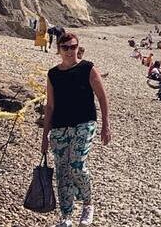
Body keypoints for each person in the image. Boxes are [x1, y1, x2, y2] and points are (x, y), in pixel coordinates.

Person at [41, 32, 111, 227]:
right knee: (62, 171)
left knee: (76, 165)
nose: (71, 51)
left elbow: (102, 97)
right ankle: (66, 216)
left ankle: (88, 204)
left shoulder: (88, 68)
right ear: (59, 50)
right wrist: (45, 136)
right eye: (66, 48)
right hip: (59, 127)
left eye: (74, 47)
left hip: (84, 124)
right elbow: (50, 106)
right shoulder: (53, 74)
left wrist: (106, 124)